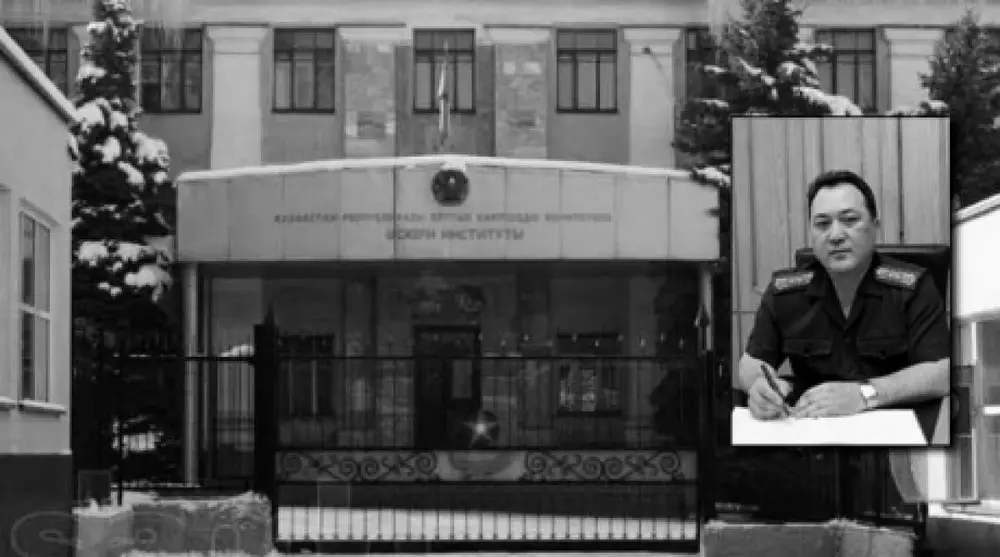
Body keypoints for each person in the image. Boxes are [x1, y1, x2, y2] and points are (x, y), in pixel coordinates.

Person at [736, 169, 950, 421]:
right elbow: (750, 364)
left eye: (849, 220)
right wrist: (759, 386)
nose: (836, 235)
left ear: (875, 227)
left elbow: (942, 372)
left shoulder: (912, 288)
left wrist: (866, 394)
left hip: (891, 428)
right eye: (822, 224)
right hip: (812, 430)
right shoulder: (785, 292)